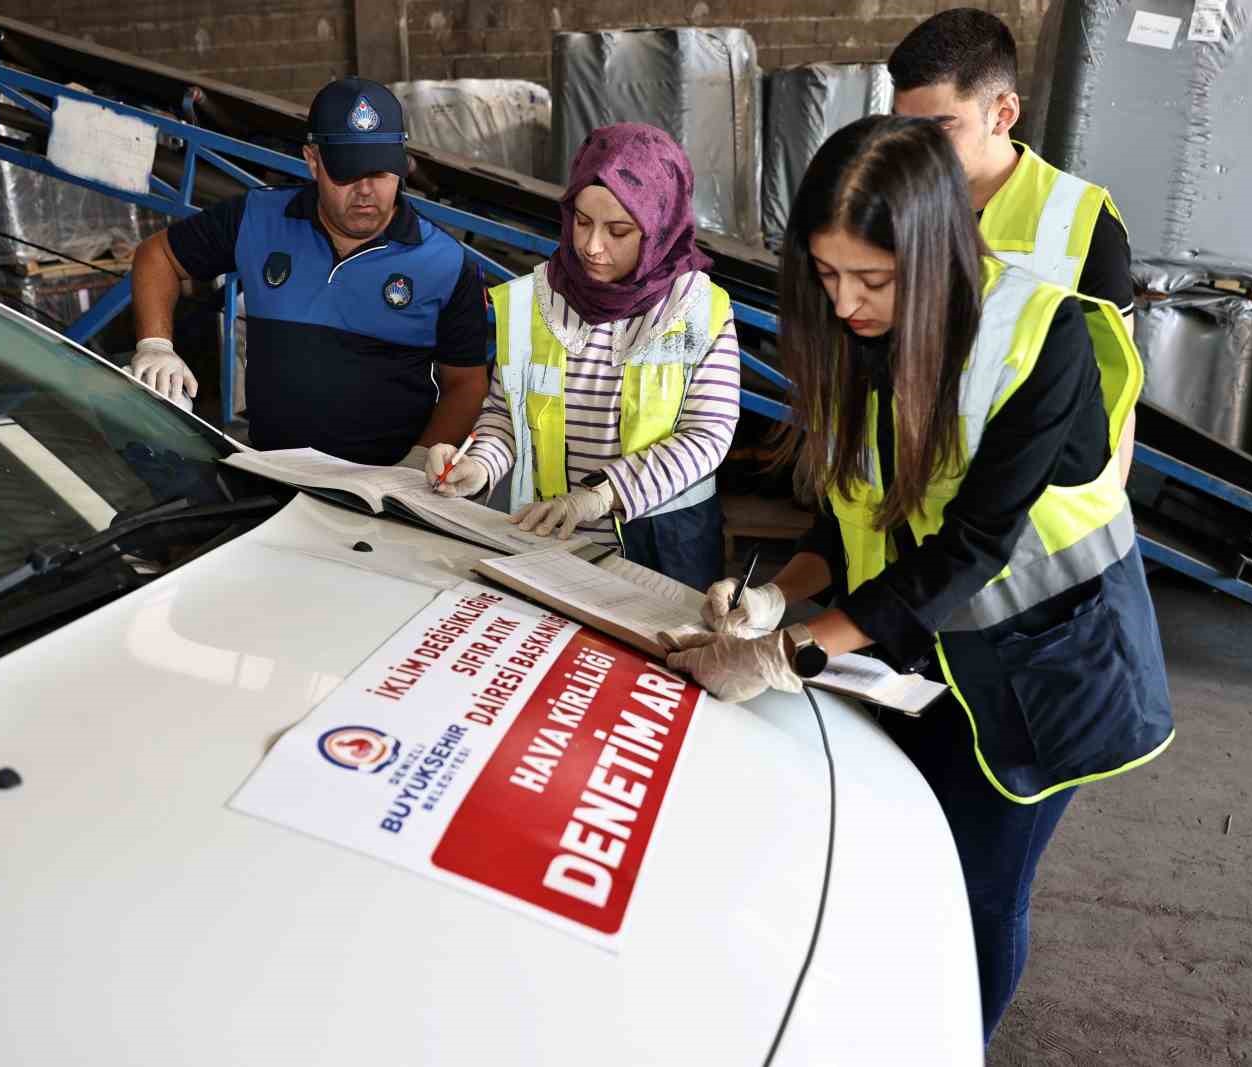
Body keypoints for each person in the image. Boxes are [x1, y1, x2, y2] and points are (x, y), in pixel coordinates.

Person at [666, 117, 1174, 1044]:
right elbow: (853, 510)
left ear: (936, 250)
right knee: (899, 859)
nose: (848, 301)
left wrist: (789, 652)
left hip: (1047, 677)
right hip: (931, 663)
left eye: (873, 279)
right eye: (827, 275)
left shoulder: (1042, 342)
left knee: (977, 896)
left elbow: (968, 549)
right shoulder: (864, 338)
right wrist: (781, 590)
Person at [424, 124, 741, 590]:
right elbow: (504, 417)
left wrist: (602, 496)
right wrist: (478, 465)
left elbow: (707, 435)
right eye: (582, 221)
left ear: (660, 227)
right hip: (549, 545)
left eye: (618, 231)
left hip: (662, 550)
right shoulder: (537, 300)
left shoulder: (698, 311)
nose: (593, 246)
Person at [127, 77, 486, 468]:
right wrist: (156, 345)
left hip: (382, 489)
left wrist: (417, 465)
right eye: (348, 173)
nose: (366, 190)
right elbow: (157, 255)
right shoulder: (257, 219)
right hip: (274, 474)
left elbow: (465, 384)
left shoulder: (446, 264)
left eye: (381, 173)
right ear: (312, 160)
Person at [888, 8, 1140, 482]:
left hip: (1030, 507)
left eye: (940, 128)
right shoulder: (891, 210)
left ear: (1003, 114)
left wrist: (1103, 520)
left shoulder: (1083, 220)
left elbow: (1115, 392)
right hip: (914, 494)